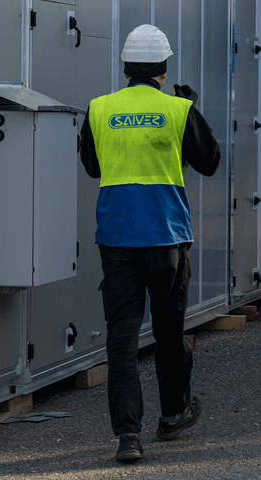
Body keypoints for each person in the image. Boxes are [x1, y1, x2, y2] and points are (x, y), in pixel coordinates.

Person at [79, 24, 221, 463]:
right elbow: (210, 162)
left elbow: (91, 165)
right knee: (168, 330)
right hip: (166, 237)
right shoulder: (178, 110)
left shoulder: (99, 109)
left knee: (122, 339)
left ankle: (128, 436)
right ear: (163, 68)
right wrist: (190, 110)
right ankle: (173, 413)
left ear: (125, 67)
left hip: (118, 236)